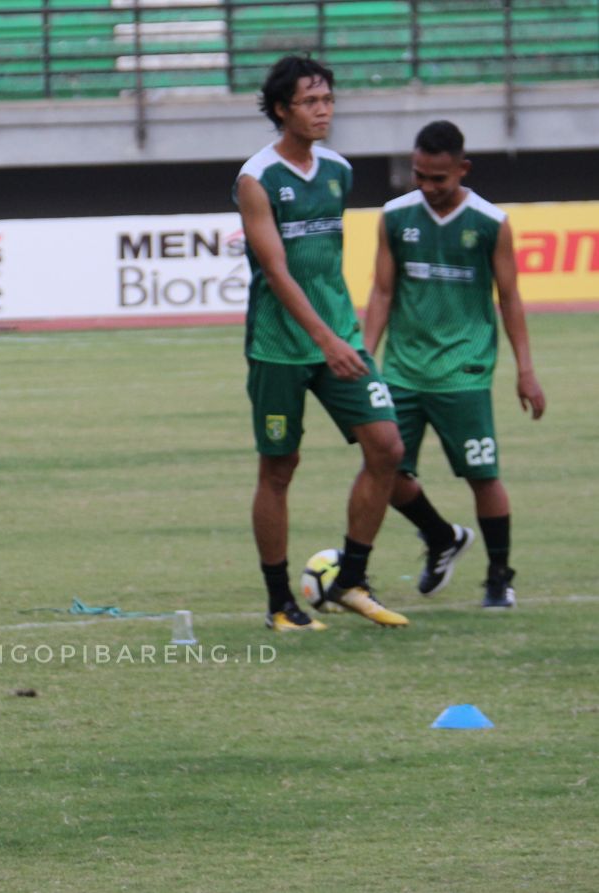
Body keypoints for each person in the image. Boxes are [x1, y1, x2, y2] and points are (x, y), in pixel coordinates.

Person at [234, 55, 409, 631]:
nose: (323, 110)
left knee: (386, 447)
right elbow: (277, 270)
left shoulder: (338, 169)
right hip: (281, 347)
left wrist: (341, 335)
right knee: (279, 468)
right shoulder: (256, 178)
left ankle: (349, 579)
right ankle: (279, 600)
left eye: (328, 99)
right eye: (310, 102)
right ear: (282, 109)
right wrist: (323, 338)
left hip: (340, 337)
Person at [364, 121, 546, 609]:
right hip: (401, 370)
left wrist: (525, 369)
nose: (427, 187)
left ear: (462, 169)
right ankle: (441, 536)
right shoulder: (394, 216)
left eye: (438, 179)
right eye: (419, 175)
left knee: (482, 476)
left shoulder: (491, 223)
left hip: (464, 372)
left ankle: (498, 575)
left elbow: (510, 299)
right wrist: (365, 357)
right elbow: (382, 291)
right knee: (385, 471)